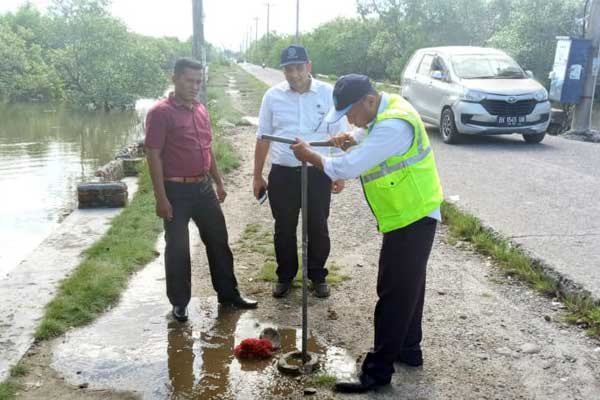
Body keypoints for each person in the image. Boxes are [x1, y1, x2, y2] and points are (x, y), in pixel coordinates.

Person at [291, 74, 443, 393]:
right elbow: (369, 135)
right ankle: (408, 350)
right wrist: (353, 137)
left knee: (392, 293)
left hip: (412, 217)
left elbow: (347, 167)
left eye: (350, 112)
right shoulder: (388, 110)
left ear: (369, 100)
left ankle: (377, 372)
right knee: (409, 289)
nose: (349, 119)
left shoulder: (393, 124)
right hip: (410, 213)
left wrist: (312, 156)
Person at [145, 57, 257, 323]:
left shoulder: (200, 109)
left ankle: (228, 294)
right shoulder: (160, 113)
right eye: (189, 80)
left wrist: (218, 181)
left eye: (199, 81)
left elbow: (207, 150)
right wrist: (161, 198)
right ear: (175, 79)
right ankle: (180, 303)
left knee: (219, 241)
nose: (195, 86)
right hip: (175, 190)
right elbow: (153, 155)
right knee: (178, 249)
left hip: (203, 187)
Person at [253, 44, 348, 299]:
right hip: (283, 172)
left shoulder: (328, 94)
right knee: (283, 227)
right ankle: (285, 276)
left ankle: (317, 275)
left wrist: (338, 172)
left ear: (309, 66)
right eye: (287, 69)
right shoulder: (272, 96)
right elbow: (262, 137)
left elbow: (339, 136)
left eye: (298, 68)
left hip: (317, 171)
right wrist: (257, 174)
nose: (293, 74)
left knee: (318, 225)